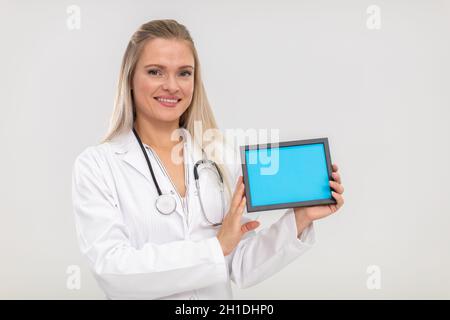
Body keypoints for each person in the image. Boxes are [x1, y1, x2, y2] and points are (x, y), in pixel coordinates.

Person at [71, 19, 345, 300]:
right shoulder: (97, 165)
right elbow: (113, 271)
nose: (172, 86)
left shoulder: (219, 158)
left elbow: (238, 266)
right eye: (155, 72)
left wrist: (299, 219)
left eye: (184, 73)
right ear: (130, 78)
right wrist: (214, 248)